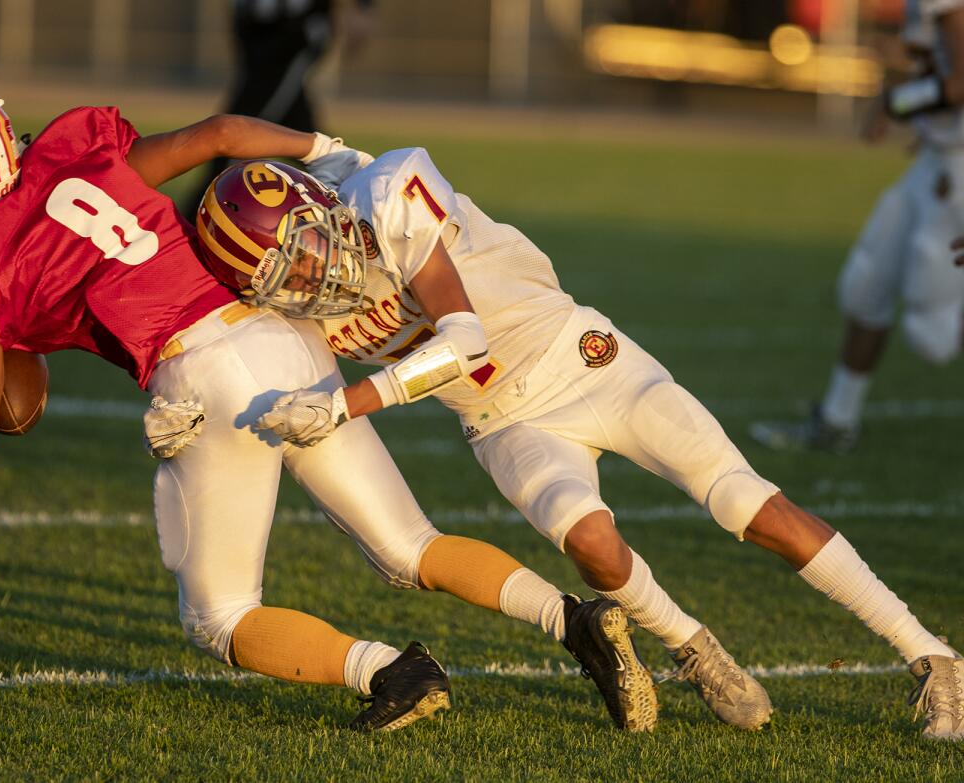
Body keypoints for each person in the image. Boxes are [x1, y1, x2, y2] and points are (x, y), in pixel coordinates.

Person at [0, 81, 657, 733]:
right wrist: (319, 148)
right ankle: (576, 619)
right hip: (287, 338)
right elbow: (216, 133)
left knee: (219, 615)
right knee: (412, 546)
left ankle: (391, 669)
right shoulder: (71, 154)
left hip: (205, 378)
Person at [195, 147, 964, 740]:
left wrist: (348, 401)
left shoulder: (382, 194)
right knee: (591, 545)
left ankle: (930, 653)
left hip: (581, 355)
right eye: (279, 274)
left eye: (298, 250)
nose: (304, 274)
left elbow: (460, 336)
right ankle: (693, 646)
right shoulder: (300, 314)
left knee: (742, 499)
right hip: (504, 420)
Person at [751, 0, 964, 453]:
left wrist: (896, 102)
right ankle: (838, 421)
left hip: (958, 172)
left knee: (933, 336)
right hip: (935, 160)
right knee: (866, 283)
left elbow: (962, 83)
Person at [181, 0, 374, 219]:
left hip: (292, 29)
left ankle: (200, 218)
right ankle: (357, 190)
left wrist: (363, 8)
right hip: (255, 26)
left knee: (242, 129)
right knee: (295, 125)